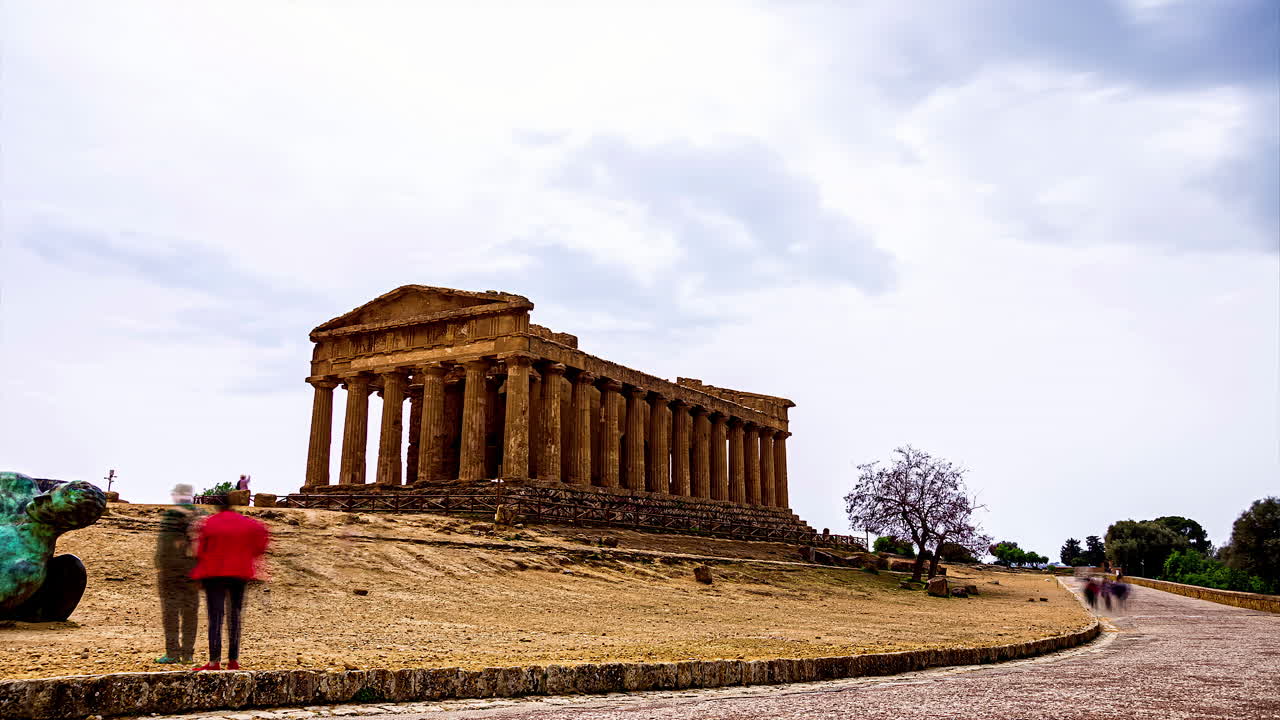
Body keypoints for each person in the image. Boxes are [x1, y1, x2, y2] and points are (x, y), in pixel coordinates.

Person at [189, 496, 268, 671]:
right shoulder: (248, 523)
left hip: (214, 574)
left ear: (217, 507)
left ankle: (214, 662)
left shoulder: (209, 523)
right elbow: (261, 541)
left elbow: (200, 550)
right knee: (235, 616)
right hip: (240, 573)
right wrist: (249, 555)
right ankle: (233, 661)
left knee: (215, 617)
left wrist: (198, 572)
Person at [154, 483, 201, 664]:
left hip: (171, 572)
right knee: (191, 613)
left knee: (171, 612)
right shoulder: (200, 515)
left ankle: (172, 653)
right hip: (194, 571)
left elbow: (164, 544)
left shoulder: (172, 515)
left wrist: (160, 565)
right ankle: (188, 654)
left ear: (177, 495)